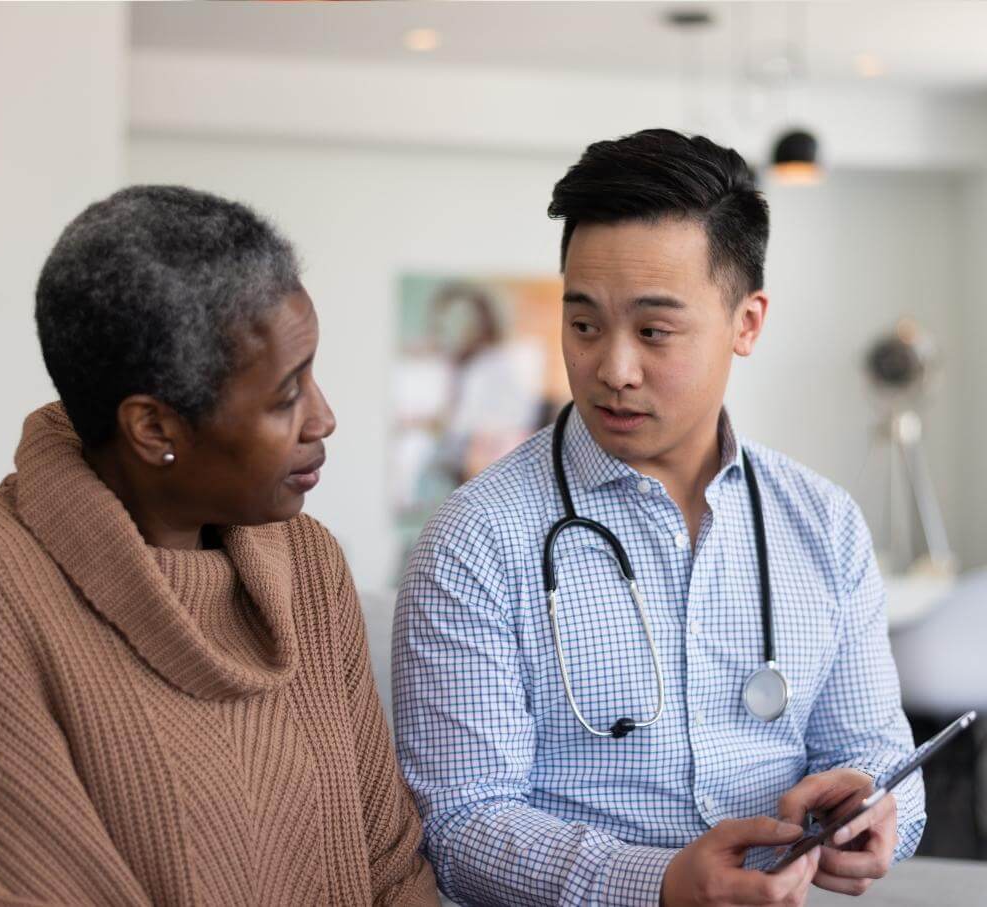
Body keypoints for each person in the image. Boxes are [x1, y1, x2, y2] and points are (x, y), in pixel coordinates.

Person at [392, 130, 925, 906]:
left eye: (653, 331)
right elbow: (461, 821)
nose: (612, 368)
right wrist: (661, 883)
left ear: (747, 323)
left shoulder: (825, 523)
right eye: (583, 325)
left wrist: (880, 813)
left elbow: (875, 748)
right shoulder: (475, 538)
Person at [0, 186, 438, 905]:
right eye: (286, 395)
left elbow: (394, 866)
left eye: (312, 373)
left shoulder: (309, 562)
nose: (324, 417)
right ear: (154, 428)